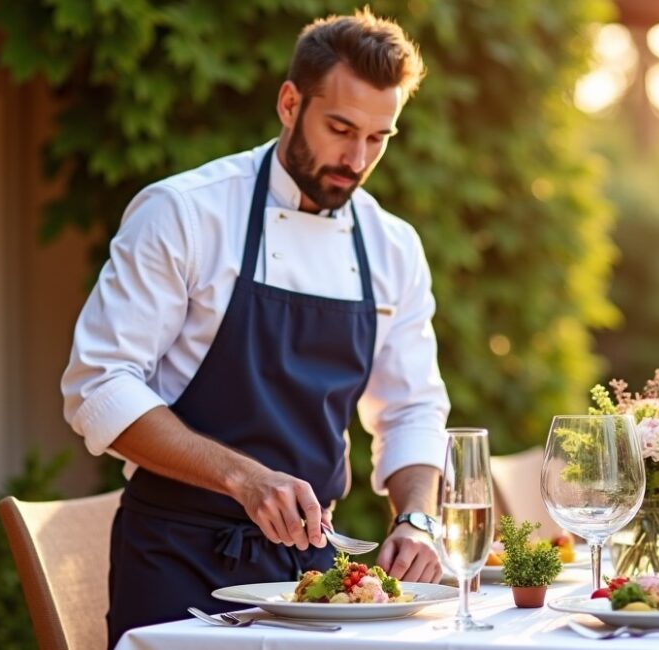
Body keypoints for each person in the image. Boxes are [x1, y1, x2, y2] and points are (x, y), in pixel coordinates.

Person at [60, 10, 448, 645]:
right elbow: (99, 387)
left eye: (379, 138)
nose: (356, 159)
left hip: (316, 576)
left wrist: (416, 519)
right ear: (290, 103)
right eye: (341, 128)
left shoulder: (392, 246)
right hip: (176, 562)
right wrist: (244, 478)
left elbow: (411, 409)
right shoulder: (183, 213)